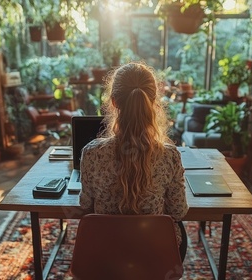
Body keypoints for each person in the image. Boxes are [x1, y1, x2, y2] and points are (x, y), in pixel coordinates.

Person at [79, 62, 188, 259]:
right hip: (153, 252)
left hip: (106, 252)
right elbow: (178, 212)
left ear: (113, 102)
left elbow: (85, 205)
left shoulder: (91, 153)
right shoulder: (170, 156)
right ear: (153, 102)